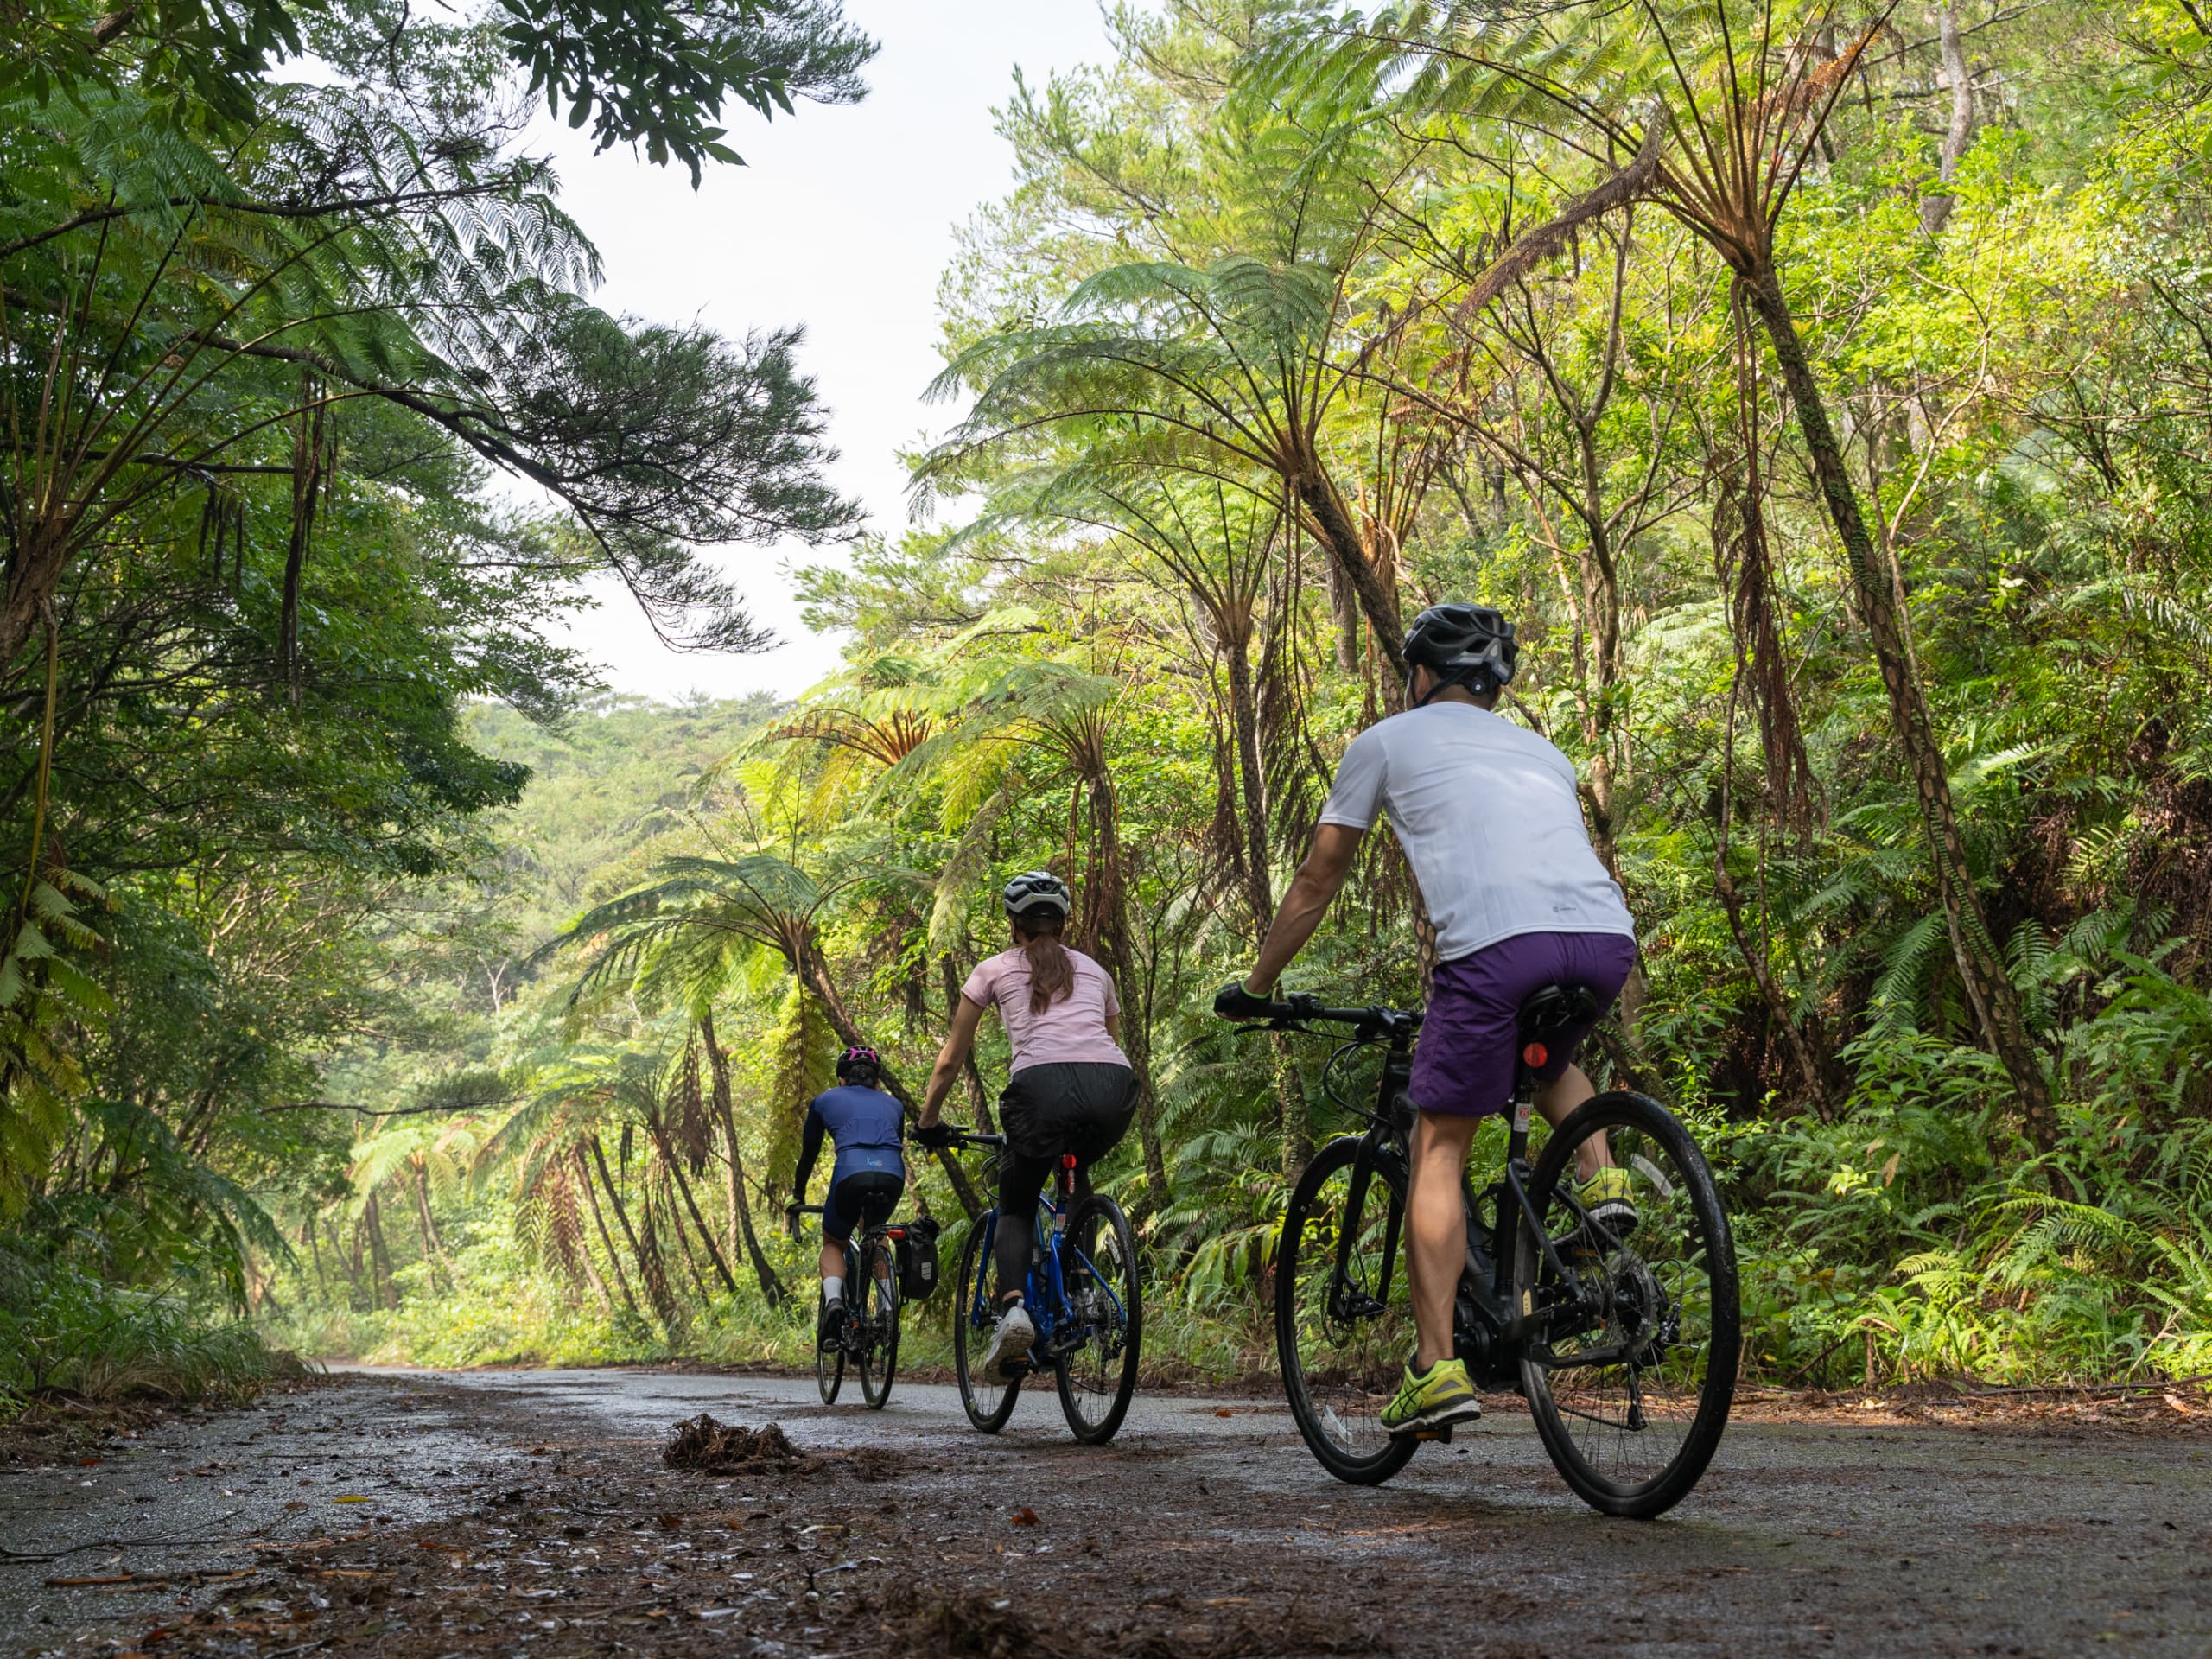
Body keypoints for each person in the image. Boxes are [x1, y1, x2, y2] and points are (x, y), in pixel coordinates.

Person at [1218, 603, 1638, 1437]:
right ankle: (1604, 1180)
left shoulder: (1388, 740)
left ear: (1422, 673)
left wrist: (1257, 984)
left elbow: (1318, 876)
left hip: (1492, 946)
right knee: (1546, 1059)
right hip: (1602, 939)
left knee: (1437, 1146)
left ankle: (1436, 1367)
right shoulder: (1545, 753)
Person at [912, 871, 1136, 1379]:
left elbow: (951, 1059)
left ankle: (1013, 1309)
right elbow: (1111, 1038)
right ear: (1062, 923)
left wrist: (928, 1120)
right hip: (1113, 1088)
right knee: (1074, 1172)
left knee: (1014, 1205)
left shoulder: (992, 970)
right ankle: (1080, 1287)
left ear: (1014, 924)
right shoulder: (1095, 970)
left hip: (1039, 1091)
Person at [786, 1046, 906, 1348]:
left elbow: (808, 1154)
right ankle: (887, 1309)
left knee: (834, 1242)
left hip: (850, 1171)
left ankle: (836, 1303)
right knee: (876, 1234)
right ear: (877, 1083)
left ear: (841, 1079)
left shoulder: (824, 1100)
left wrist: (796, 1195)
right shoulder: (895, 1106)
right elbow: (893, 1142)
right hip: (892, 1172)